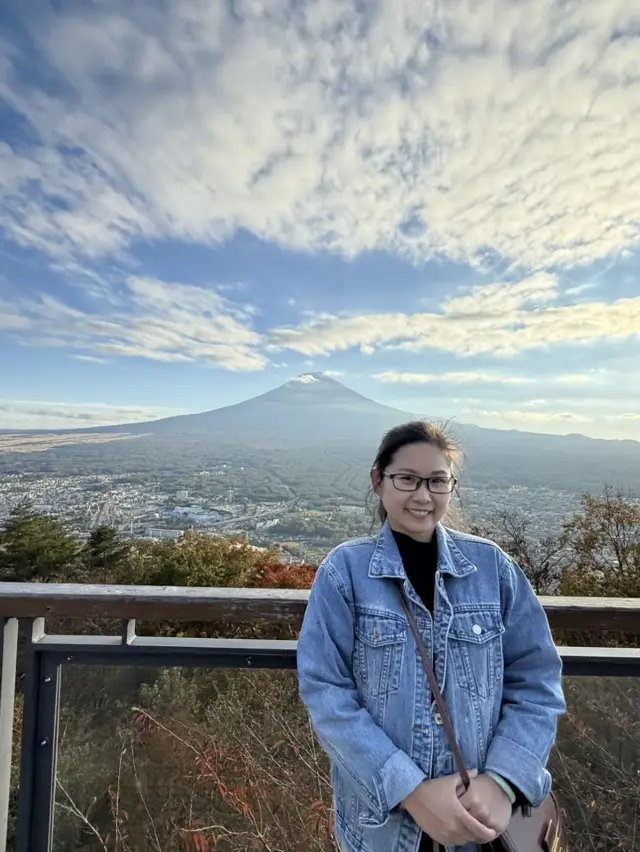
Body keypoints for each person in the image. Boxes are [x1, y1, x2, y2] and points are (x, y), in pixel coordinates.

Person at [297, 420, 566, 852]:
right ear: (378, 481)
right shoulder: (343, 573)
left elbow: (536, 681)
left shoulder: (492, 569)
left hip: (483, 826)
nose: (423, 496)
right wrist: (410, 790)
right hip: (382, 830)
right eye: (407, 479)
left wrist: (503, 781)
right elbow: (326, 692)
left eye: (437, 481)